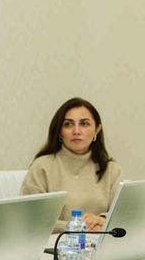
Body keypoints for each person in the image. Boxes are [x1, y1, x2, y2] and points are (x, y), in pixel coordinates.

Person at [21, 97, 123, 232]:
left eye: (84, 124)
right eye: (68, 124)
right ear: (59, 131)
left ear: (97, 130)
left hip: (100, 242)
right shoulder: (41, 167)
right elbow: (30, 219)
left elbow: (123, 215)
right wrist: (78, 227)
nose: (76, 131)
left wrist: (102, 220)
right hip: (54, 243)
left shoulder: (112, 170)